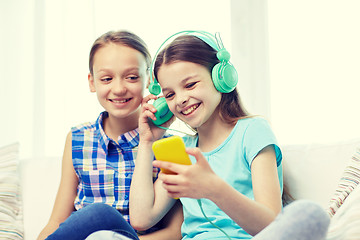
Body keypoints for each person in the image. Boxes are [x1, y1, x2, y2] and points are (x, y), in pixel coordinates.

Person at [126, 31, 330, 240]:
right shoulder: (181, 150)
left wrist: (213, 188)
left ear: (221, 78)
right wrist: (146, 141)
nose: (180, 100)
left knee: (309, 214)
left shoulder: (252, 131)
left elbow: (272, 225)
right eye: (170, 95)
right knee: (101, 227)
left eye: (190, 85)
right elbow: (142, 218)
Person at [37, 30, 182, 240]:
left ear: (150, 79)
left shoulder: (171, 147)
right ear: (92, 82)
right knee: (94, 217)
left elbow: (175, 232)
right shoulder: (77, 138)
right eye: (106, 79)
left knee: (100, 213)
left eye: (132, 77)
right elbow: (57, 221)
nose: (119, 88)